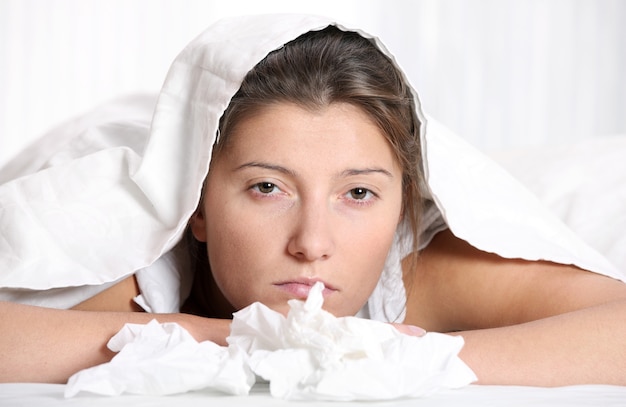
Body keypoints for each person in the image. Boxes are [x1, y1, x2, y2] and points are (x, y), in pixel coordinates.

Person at [1, 14, 625, 387]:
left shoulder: (413, 272)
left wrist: (407, 354)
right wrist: (209, 336)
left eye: (358, 193)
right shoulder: (132, 260)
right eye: (268, 188)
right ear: (196, 204)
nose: (313, 244)